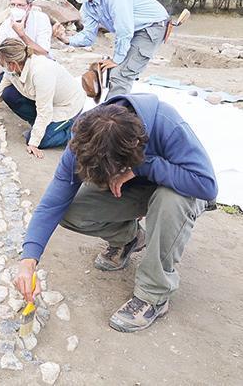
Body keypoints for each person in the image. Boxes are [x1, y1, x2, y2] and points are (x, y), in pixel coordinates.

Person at [14, 94, 217, 333]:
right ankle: (129, 239)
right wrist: (28, 260)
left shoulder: (166, 123)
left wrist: (145, 166)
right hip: (133, 187)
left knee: (170, 200)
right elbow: (52, 204)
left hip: (180, 188)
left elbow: (206, 185)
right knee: (70, 211)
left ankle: (154, 294)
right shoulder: (84, 138)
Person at [53, 0, 169, 99]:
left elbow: (124, 30)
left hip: (151, 26)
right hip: (135, 29)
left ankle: (113, 116)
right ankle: (114, 105)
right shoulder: (88, 6)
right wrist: (66, 39)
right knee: (113, 71)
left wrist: (117, 59)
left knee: (121, 74)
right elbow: (88, 36)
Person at [0, 39, 84, 156]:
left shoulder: (41, 72)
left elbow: (45, 110)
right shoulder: (13, 70)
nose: (1, 66)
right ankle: (39, 125)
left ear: (12, 64)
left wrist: (34, 143)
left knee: (39, 140)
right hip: (45, 102)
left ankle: (74, 132)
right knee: (8, 93)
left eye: (2, 63)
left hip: (67, 107)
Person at [0, 0, 53, 92]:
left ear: (29, 6)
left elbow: (44, 53)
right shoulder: (5, 26)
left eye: (20, 5)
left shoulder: (41, 19)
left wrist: (22, 34)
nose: (16, 8)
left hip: (40, 67)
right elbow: (2, 57)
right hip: (17, 69)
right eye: (13, 5)